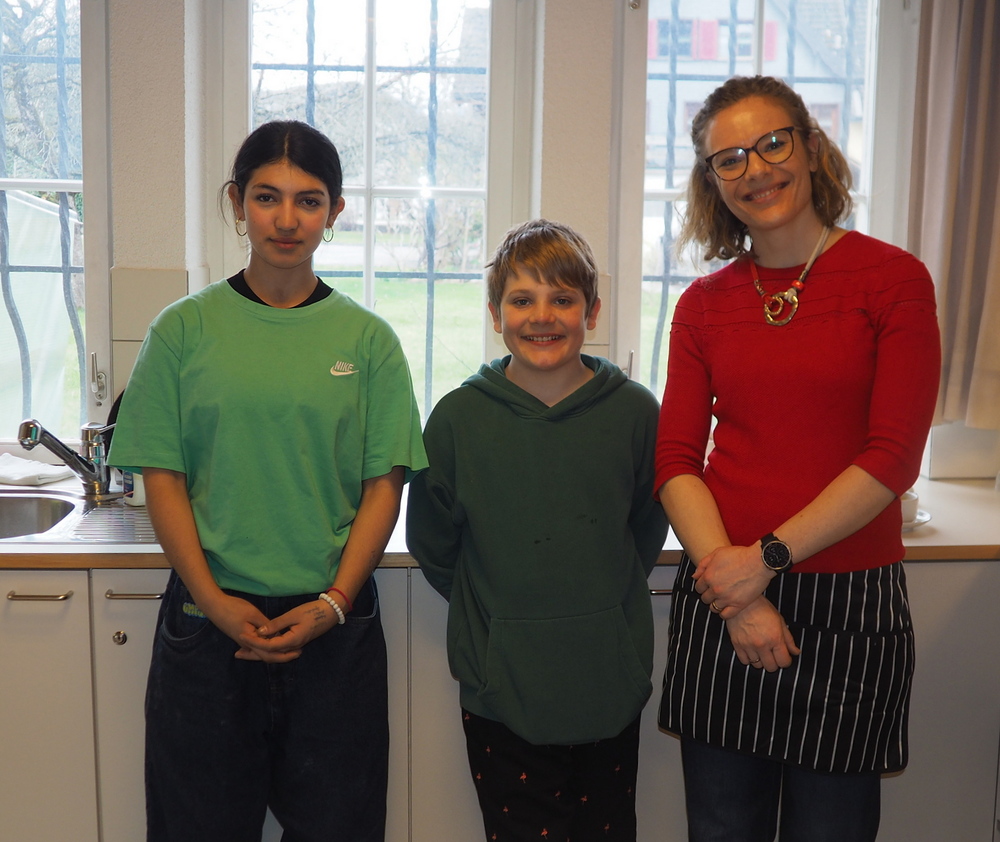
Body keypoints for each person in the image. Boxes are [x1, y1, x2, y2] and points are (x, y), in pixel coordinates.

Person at [108, 120, 427, 842]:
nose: (287, 219)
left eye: (308, 201)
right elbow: (163, 477)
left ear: (335, 211)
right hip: (208, 625)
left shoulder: (370, 341)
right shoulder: (181, 331)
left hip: (333, 626)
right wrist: (214, 601)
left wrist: (334, 604)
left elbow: (385, 486)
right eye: (266, 197)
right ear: (236, 202)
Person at [654, 75, 941, 842]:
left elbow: (893, 457)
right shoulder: (703, 305)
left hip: (851, 605)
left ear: (812, 148)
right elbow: (675, 461)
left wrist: (765, 562)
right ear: (712, 181)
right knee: (722, 828)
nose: (755, 169)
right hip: (723, 601)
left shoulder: (893, 280)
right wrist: (738, 592)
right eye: (730, 159)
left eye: (773, 144)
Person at [406, 218, 668, 842]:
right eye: (522, 300)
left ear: (592, 312)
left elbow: (645, 525)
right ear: (496, 314)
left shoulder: (635, 413)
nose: (542, 316)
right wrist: (497, 623)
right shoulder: (458, 419)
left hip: (606, 679)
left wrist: (600, 610)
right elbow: (434, 543)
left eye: (563, 299)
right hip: (502, 689)